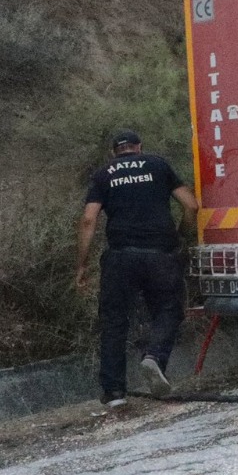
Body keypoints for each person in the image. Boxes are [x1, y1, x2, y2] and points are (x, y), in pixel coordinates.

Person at [76, 130, 198, 407]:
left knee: (114, 322)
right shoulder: (158, 165)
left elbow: (88, 220)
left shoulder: (103, 174)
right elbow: (191, 206)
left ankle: (114, 393)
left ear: (114, 152)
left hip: (120, 258)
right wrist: (181, 236)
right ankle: (154, 357)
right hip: (160, 255)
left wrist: (81, 265)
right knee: (169, 309)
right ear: (139, 148)